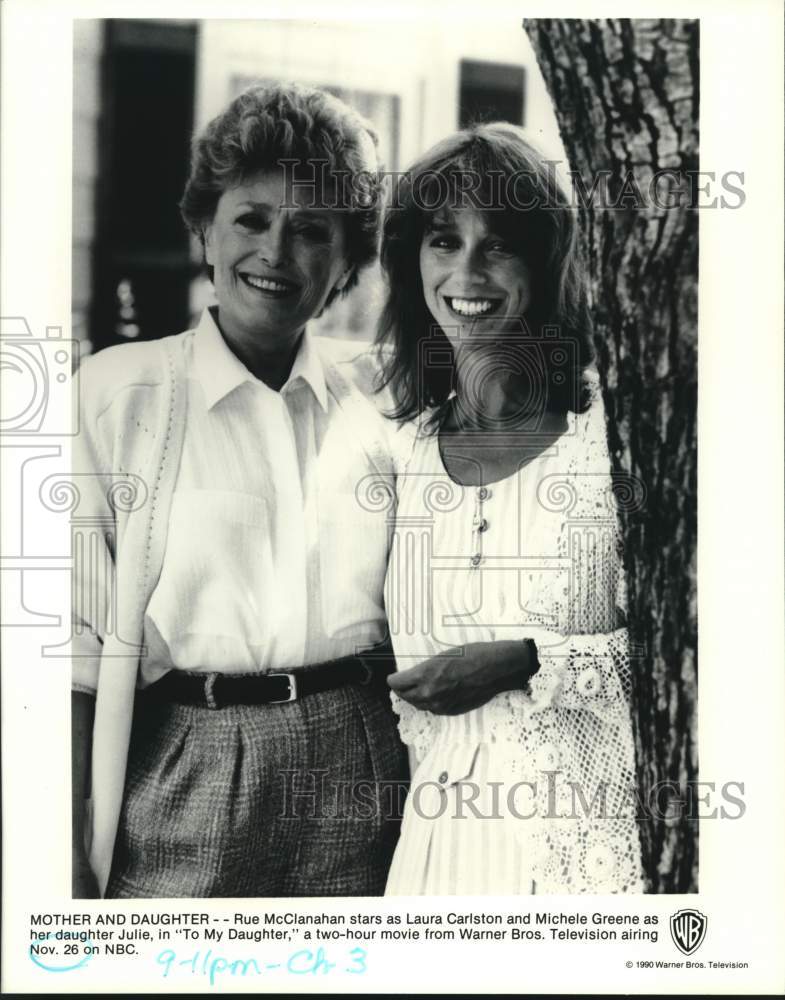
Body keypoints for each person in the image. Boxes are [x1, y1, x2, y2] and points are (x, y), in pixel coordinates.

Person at [70, 82, 408, 898]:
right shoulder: (119, 392)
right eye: (252, 219)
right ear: (205, 229)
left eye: (311, 231)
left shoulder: (382, 402)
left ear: (346, 262)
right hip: (190, 753)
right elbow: (72, 648)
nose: (275, 253)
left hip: (363, 750)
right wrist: (62, 860)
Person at [375, 123, 644, 894]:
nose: (465, 270)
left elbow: (692, 657)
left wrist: (525, 662)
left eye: (498, 244)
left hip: (589, 863)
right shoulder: (400, 452)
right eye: (441, 240)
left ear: (547, 262)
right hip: (436, 861)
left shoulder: (611, 445)